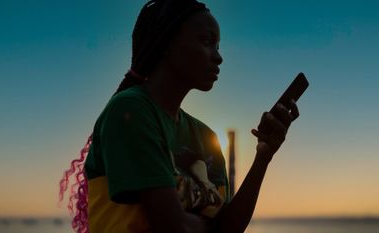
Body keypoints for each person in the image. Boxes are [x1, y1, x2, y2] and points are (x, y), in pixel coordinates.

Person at [59, 0, 300, 233]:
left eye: (218, 46)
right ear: (167, 43)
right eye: (207, 41)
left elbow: (229, 226)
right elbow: (174, 226)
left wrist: (264, 156)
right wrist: (211, 228)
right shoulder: (130, 109)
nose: (218, 57)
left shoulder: (206, 137)